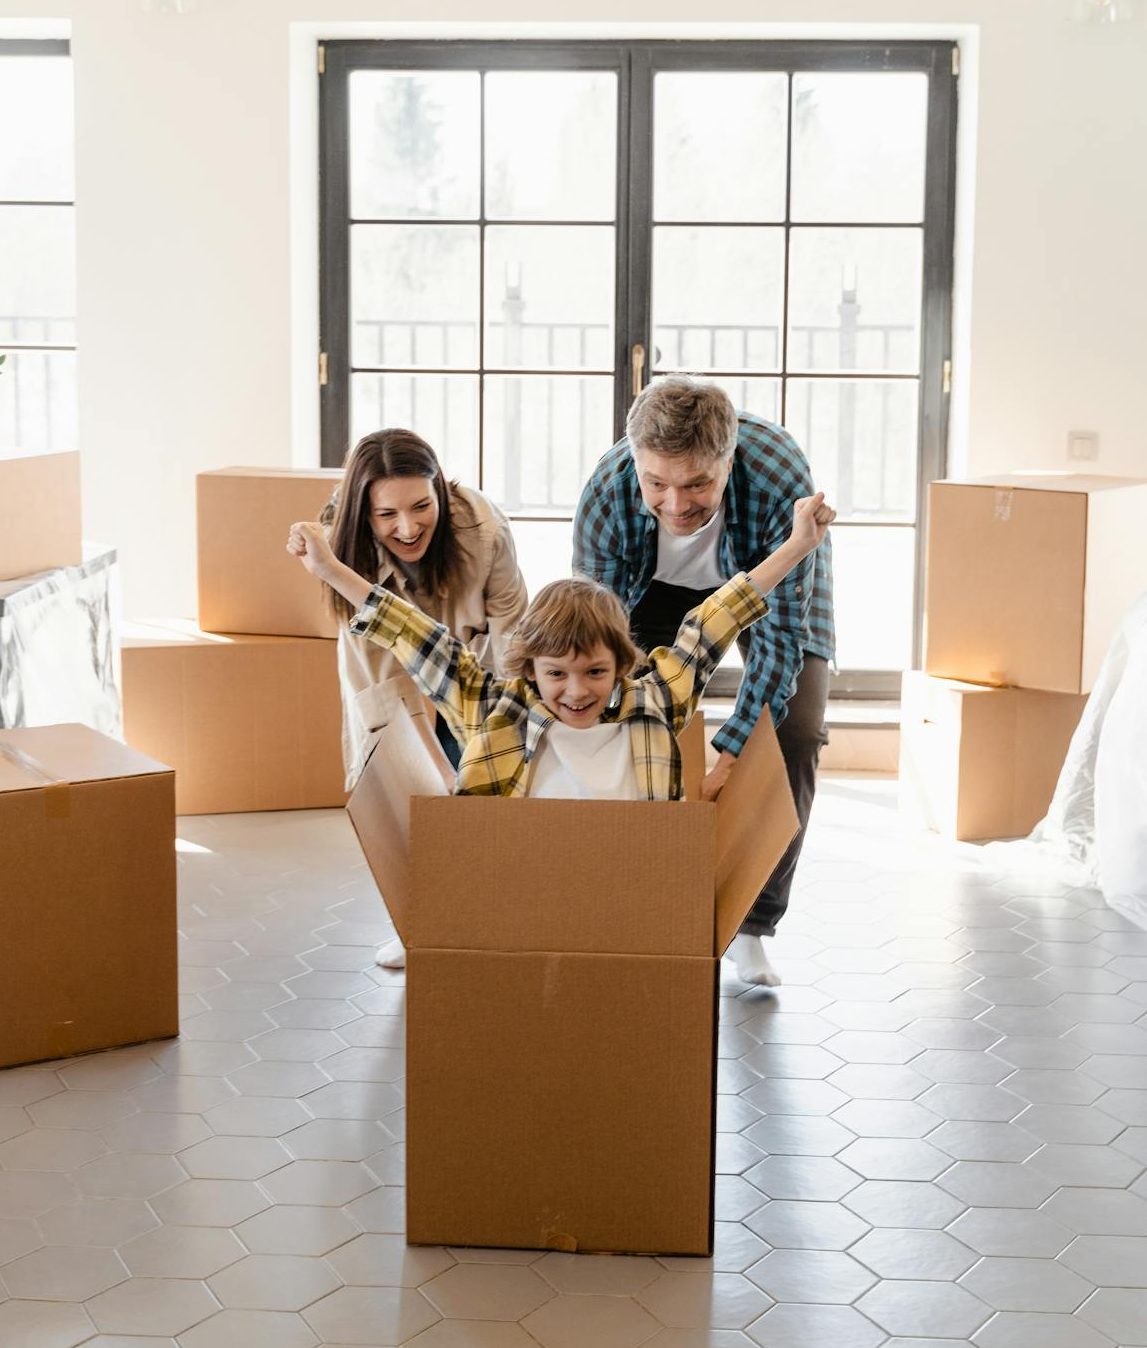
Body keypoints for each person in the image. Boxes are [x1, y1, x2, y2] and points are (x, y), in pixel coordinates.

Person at [286, 494, 834, 803]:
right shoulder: (495, 709)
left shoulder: (655, 701)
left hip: (628, 888)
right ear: (529, 670)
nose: (576, 692)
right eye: (556, 674)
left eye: (596, 672)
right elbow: (412, 631)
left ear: (623, 665)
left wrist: (796, 545)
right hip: (521, 888)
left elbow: (716, 619)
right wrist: (331, 570)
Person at [573, 376, 835, 988]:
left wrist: (735, 747)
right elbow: (599, 642)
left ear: (728, 458)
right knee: (625, 724)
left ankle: (752, 923)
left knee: (792, 734)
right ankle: (637, 902)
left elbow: (780, 638)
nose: (674, 504)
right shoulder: (606, 496)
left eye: (697, 484)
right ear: (634, 462)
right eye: (656, 483)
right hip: (649, 593)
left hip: (766, 585)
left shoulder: (778, 478)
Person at [320, 428, 529, 965]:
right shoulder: (336, 542)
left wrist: (501, 720)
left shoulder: (484, 531)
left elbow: (512, 631)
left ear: (440, 489)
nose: (408, 528)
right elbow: (368, 641)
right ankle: (419, 924)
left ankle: (486, 921)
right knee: (404, 797)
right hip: (390, 672)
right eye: (386, 515)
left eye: (421, 506)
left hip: (473, 668)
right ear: (363, 513)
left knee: (480, 794)